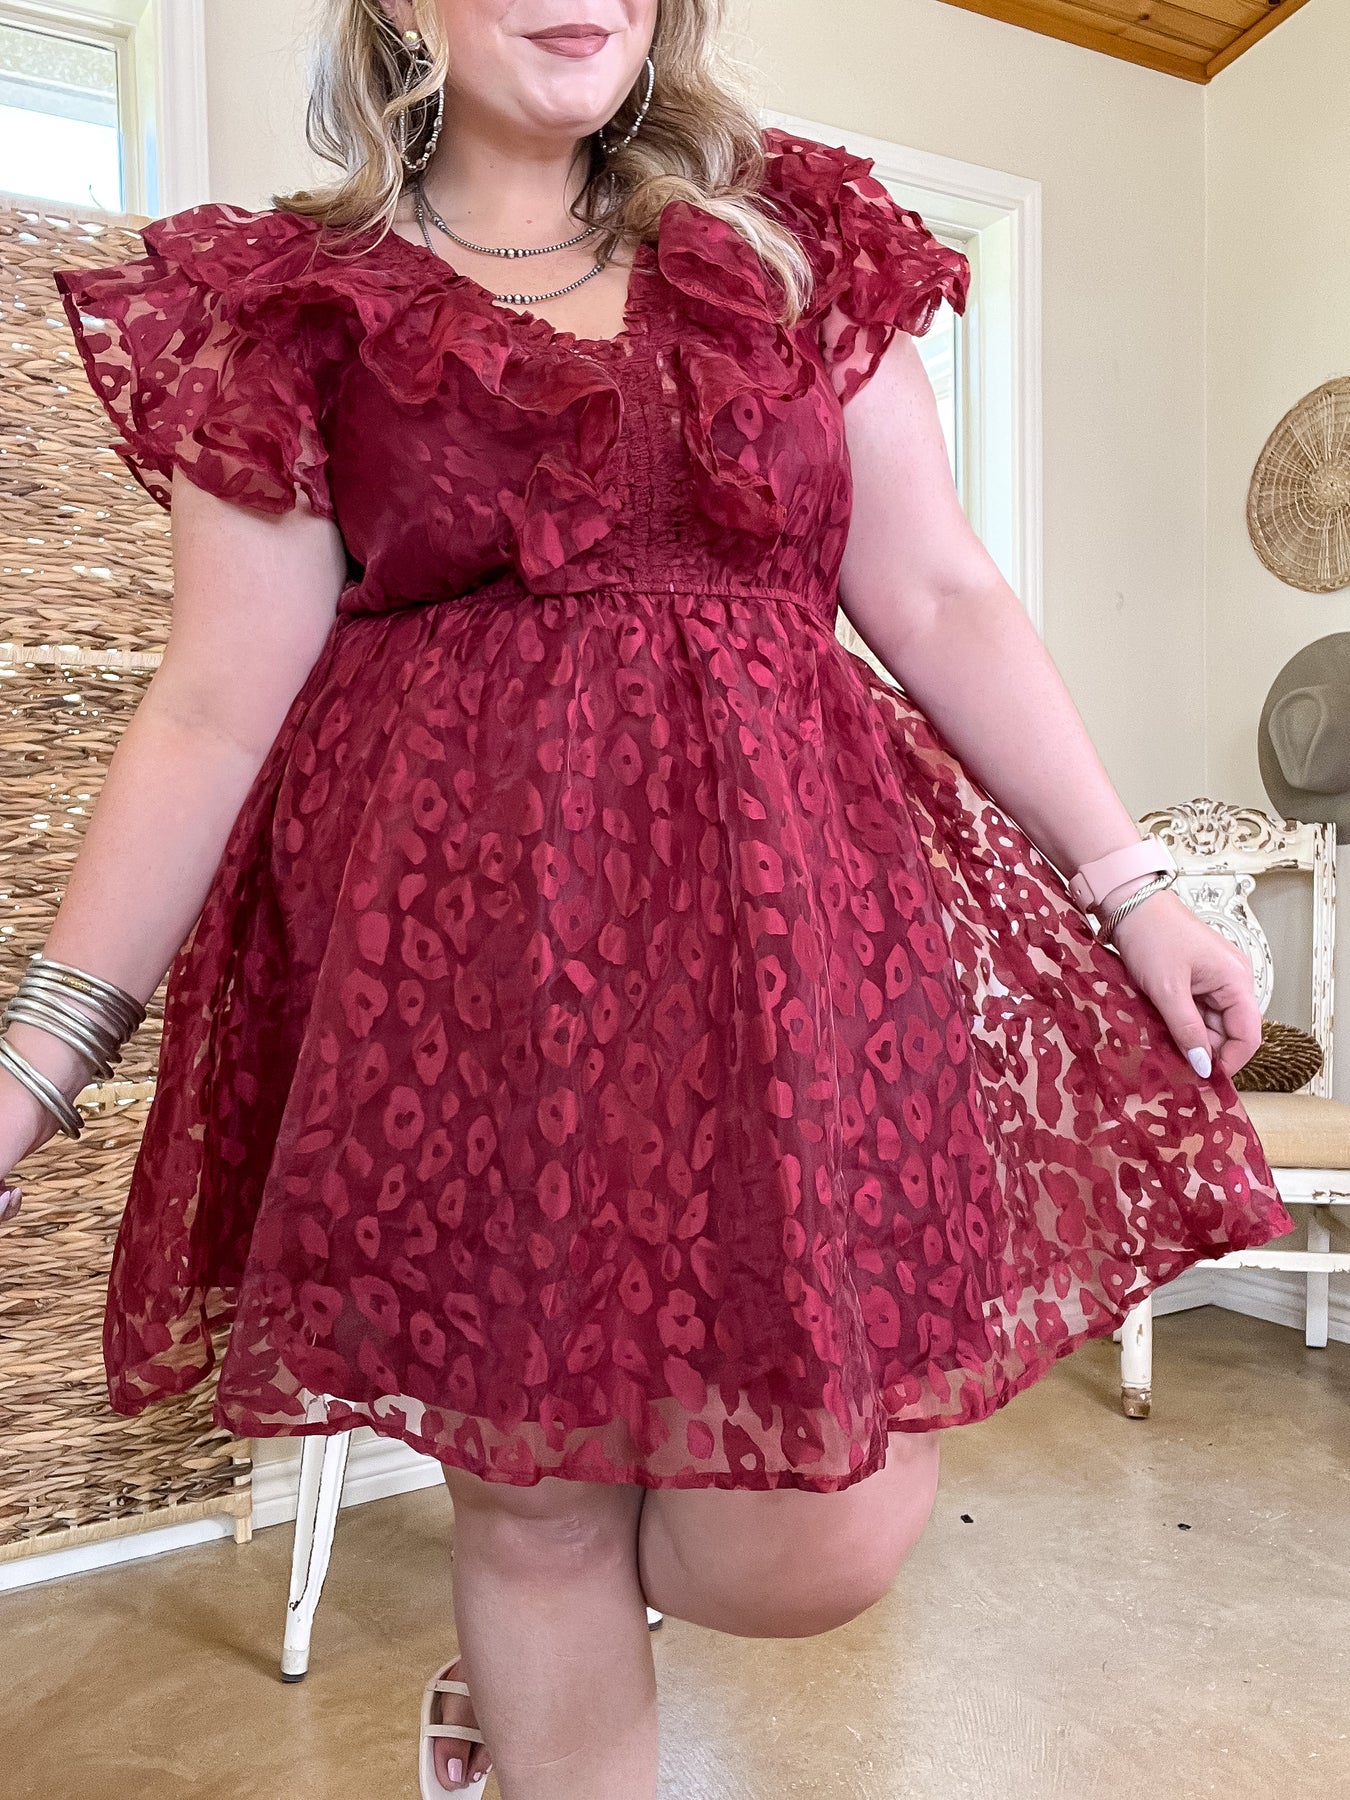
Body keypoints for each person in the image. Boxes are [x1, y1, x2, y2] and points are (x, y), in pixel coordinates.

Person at [0, 1, 1292, 1795]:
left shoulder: (783, 240)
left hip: (789, 957)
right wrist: (37, 1061)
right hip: (464, 974)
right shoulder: (299, 305)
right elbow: (215, 709)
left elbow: (935, 593)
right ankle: (540, 1693)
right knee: (535, 1513)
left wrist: (1130, 885)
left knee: (817, 1534)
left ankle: (530, 1664)